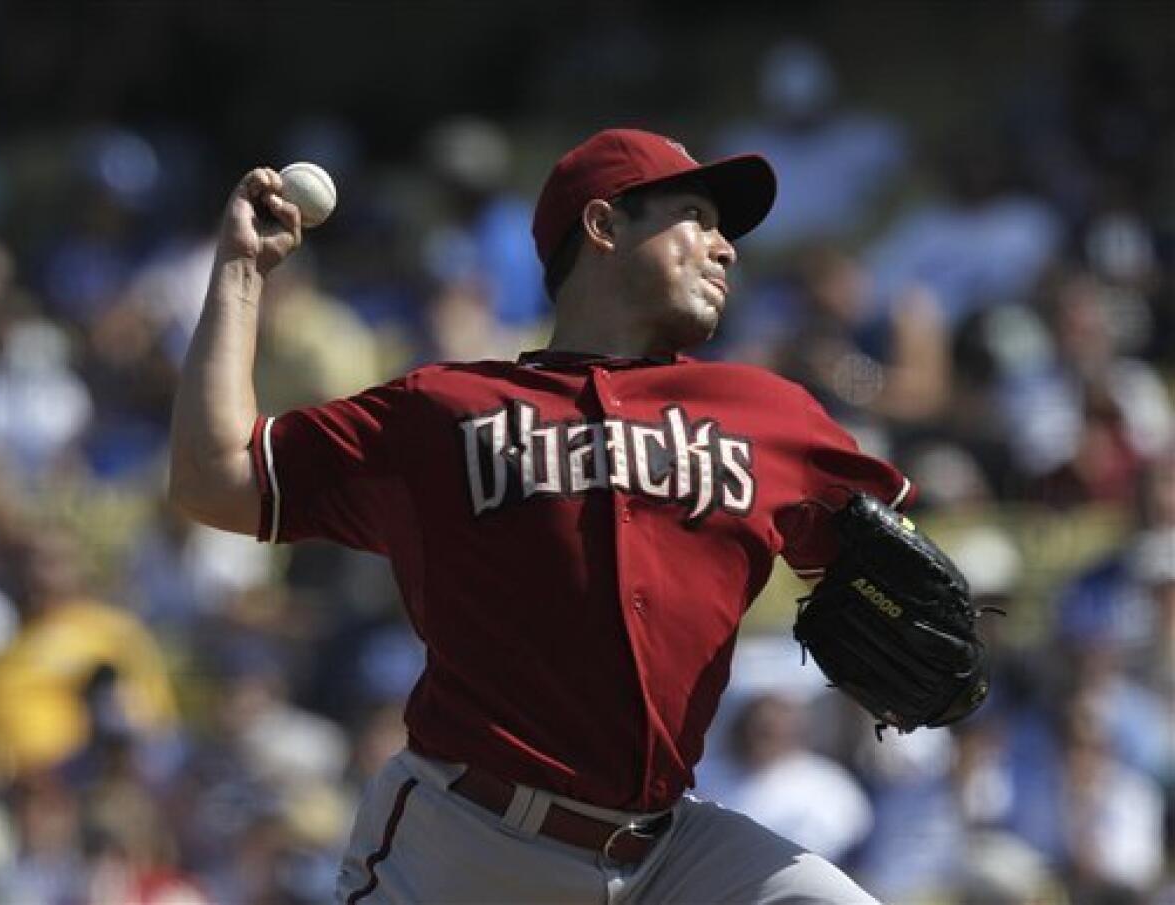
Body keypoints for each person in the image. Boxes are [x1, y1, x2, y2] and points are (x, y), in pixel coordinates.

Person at [170, 127, 916, 904]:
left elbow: (904, 573)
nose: (724, 248)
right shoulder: (442, 410)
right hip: (467, 847)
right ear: (602, 227)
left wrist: (918, 626)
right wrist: (241, 273)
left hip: (671, 852)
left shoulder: (767, 414)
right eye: (694, 216)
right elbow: (213, 477)